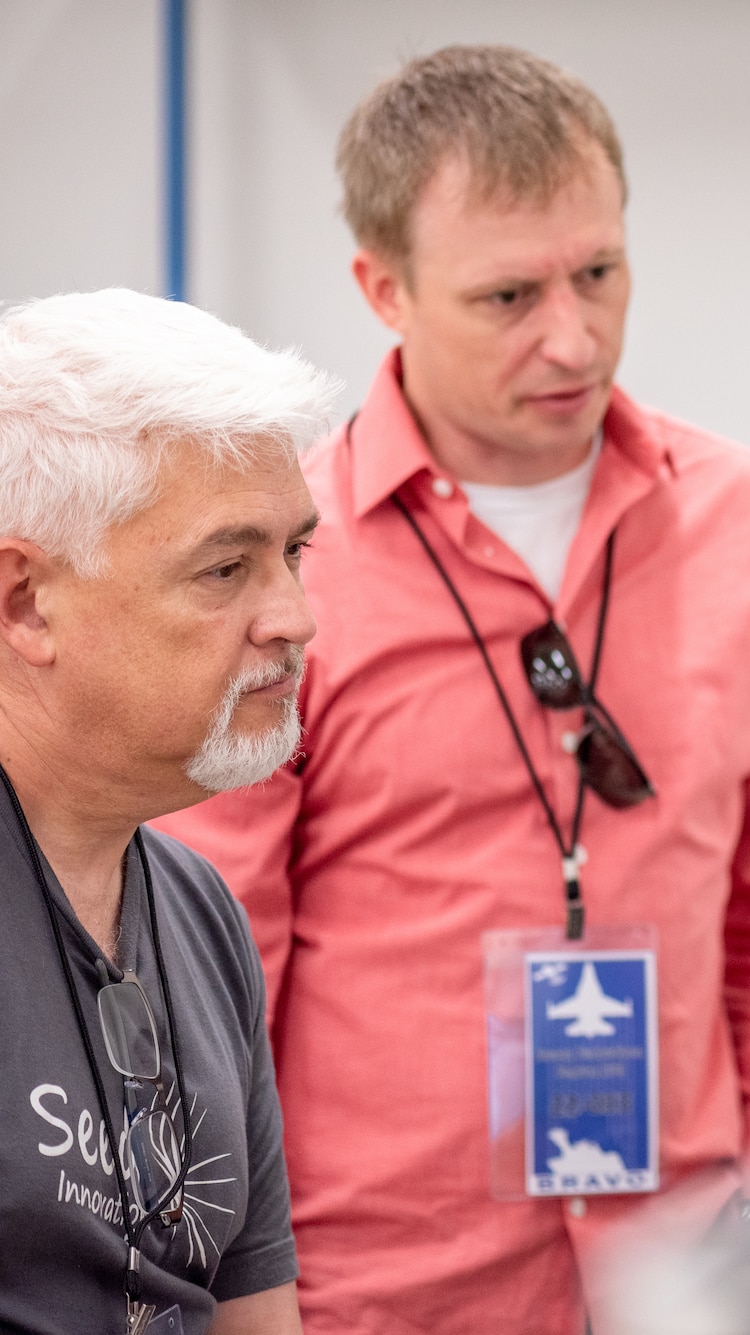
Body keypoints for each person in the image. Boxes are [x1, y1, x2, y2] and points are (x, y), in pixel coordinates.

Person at [153, 45, 750, 1333]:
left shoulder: (748, 526)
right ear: (383, 289)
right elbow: (213, 962)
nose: (574, 335)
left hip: (691, 1271)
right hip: (372, 1285)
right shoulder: (279, 560)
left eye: (598, 273)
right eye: (506, 297)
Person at [0, 288, 334, 1332]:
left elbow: (252, 1309)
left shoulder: (197, 914)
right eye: (225, 569)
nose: (294, 618)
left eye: (295, 554)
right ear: (25, 603)